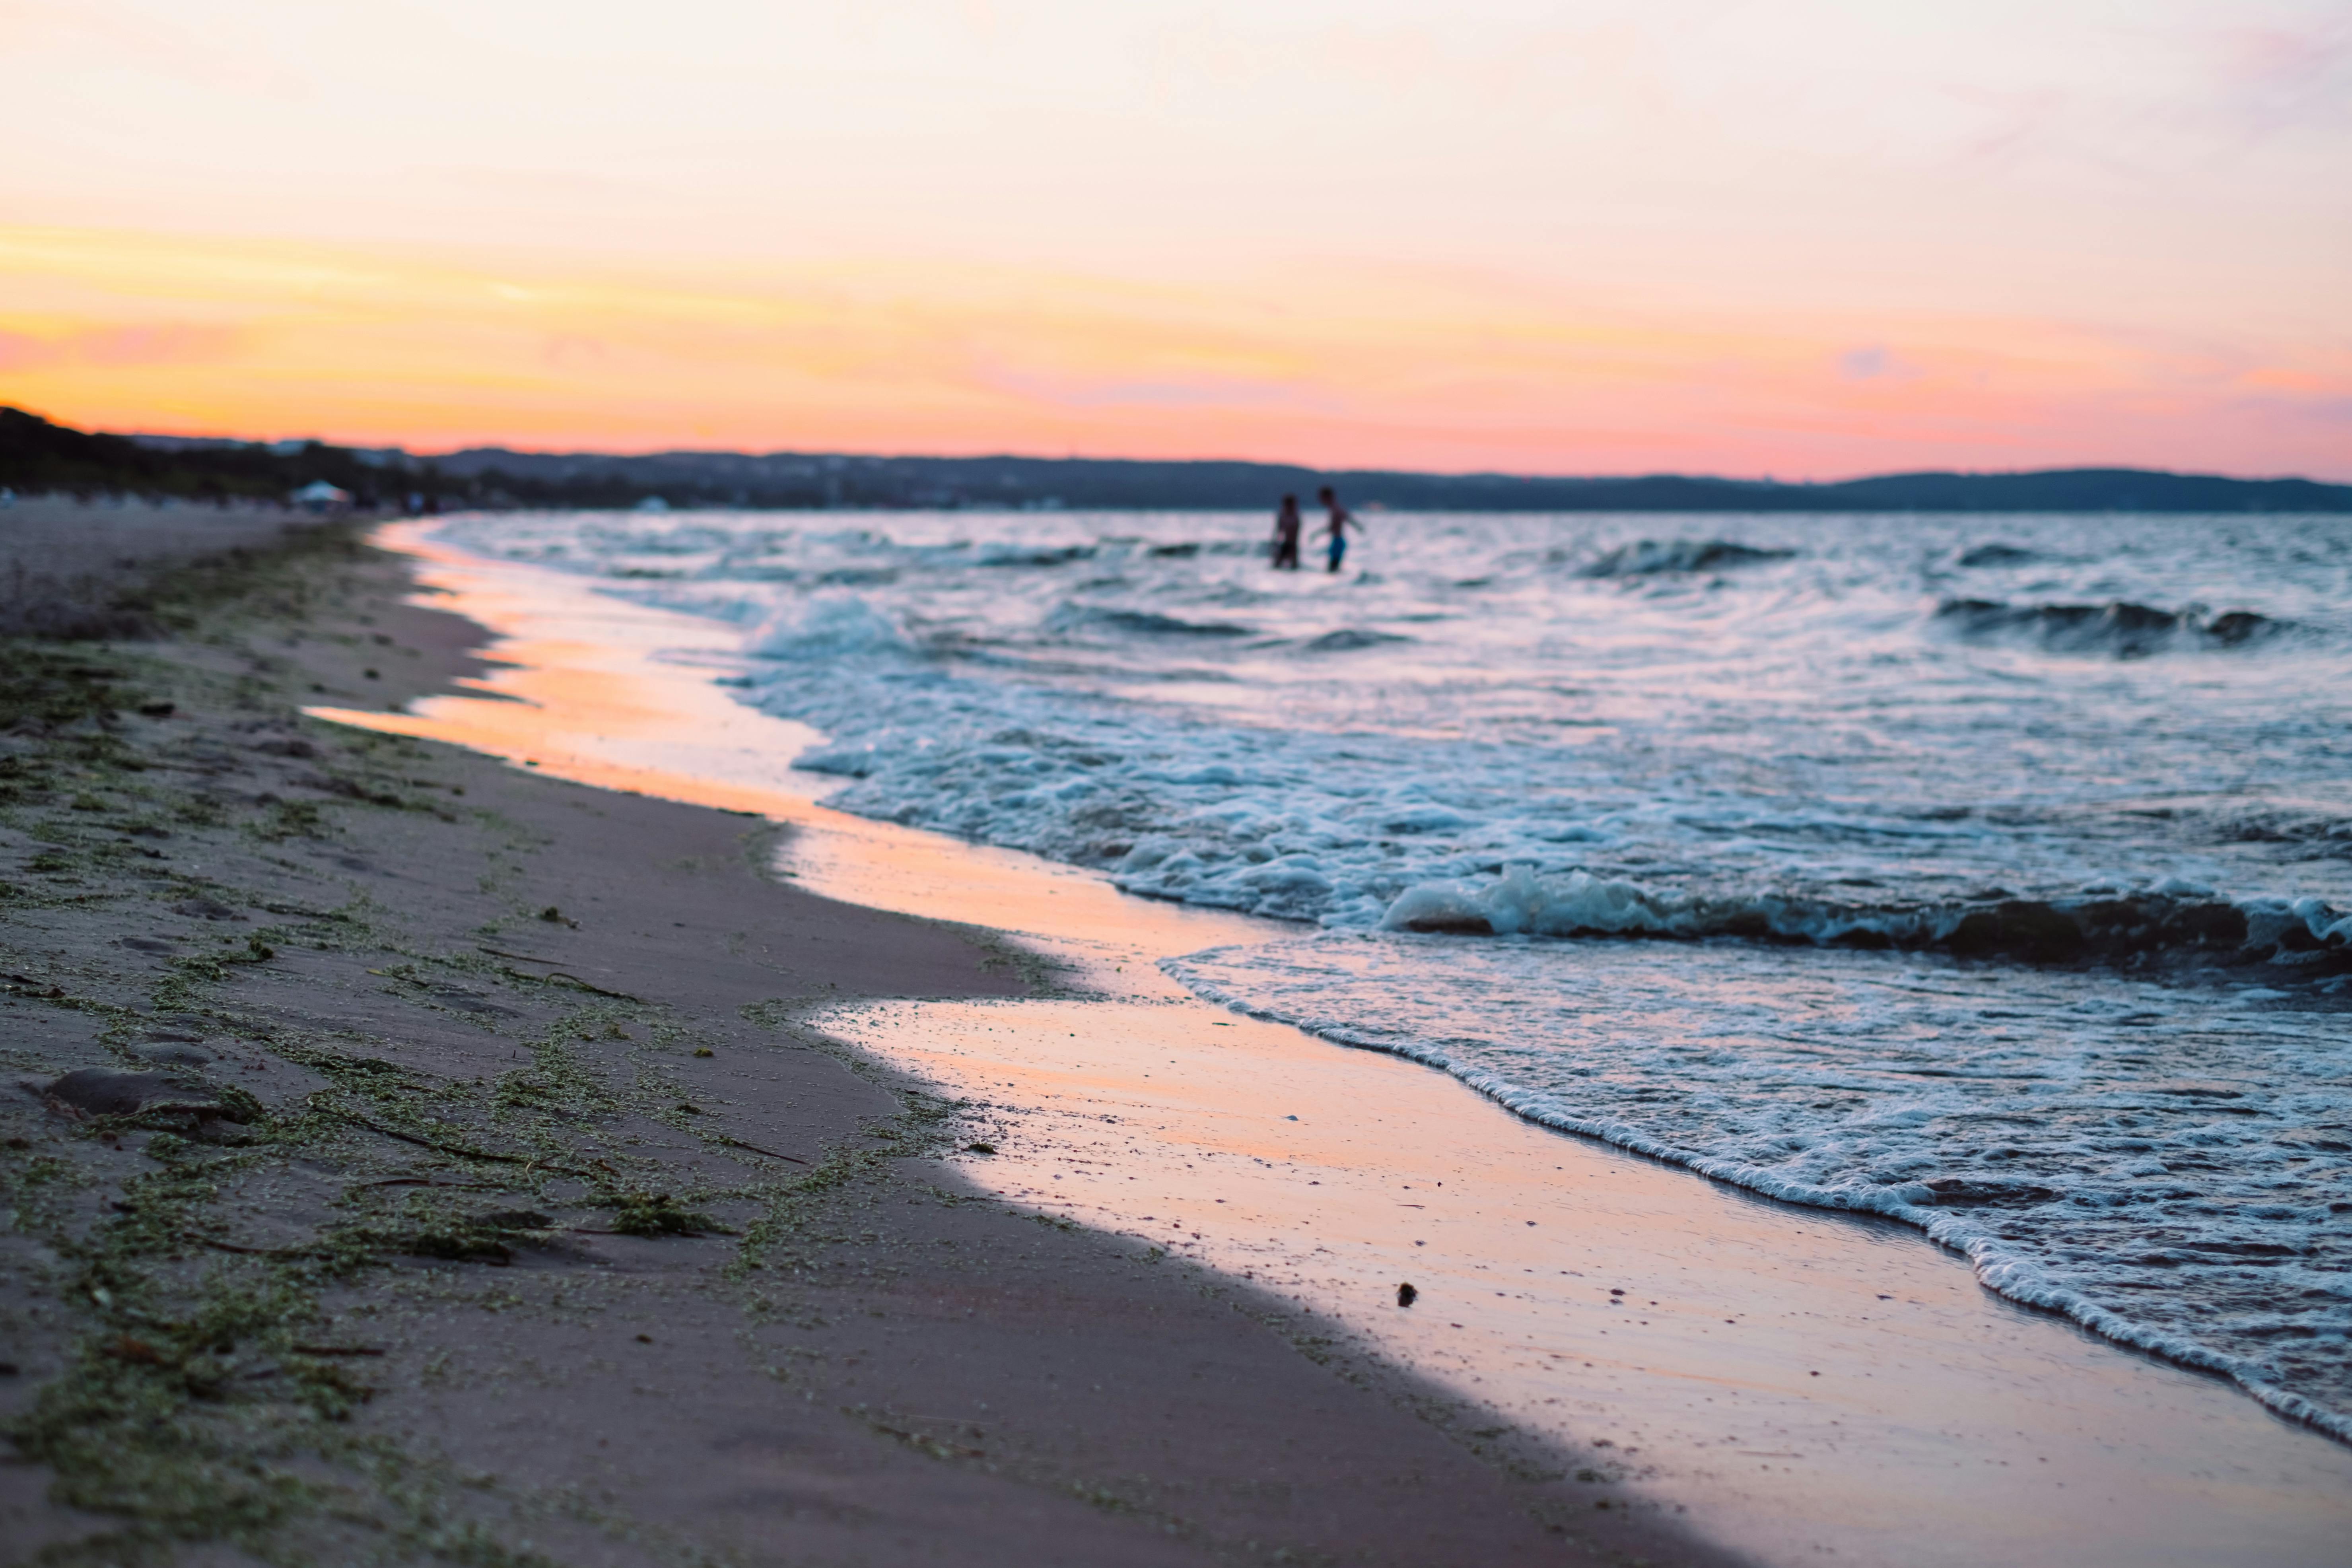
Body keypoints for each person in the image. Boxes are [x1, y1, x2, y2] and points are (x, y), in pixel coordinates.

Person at [1317, 485, 1363, 573]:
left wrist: (1317, 534)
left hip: (1338, 542)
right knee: (1333, 569)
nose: (1321, 501)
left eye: (1322, 498)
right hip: (1337, 541)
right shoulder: (1334, 508)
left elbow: (1342, 521)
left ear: (1327, 497)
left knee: (1333, 570)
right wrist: (1358, 527)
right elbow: (1348, 519)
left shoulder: (1336, 509)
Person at [1271, 493, 1303, 569]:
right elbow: (1278, 531)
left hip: (1293, 544)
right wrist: (1275, 544)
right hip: (1285, 543)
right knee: (1277, 566)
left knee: (1293, 566)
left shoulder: (1295, 516)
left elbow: (1296, 532)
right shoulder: (1283, 515)